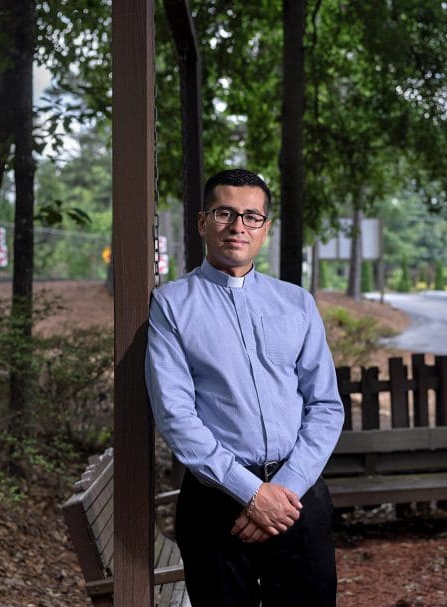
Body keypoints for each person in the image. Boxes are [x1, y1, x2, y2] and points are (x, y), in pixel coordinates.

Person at [145, 168, 344, 607]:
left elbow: (326, 406)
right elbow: (176, 416)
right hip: (216, 504)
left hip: (299, 498)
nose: (238, 227)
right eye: (225, 213)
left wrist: (283, 492)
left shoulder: (297, 303)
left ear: (265, 228)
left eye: (252, 217)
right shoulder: (172, 305)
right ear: (202, 222)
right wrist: (251, 493)